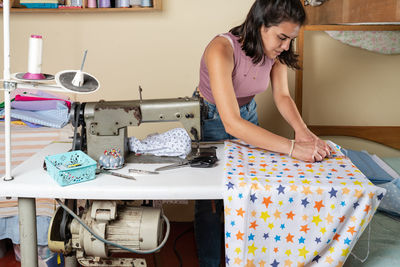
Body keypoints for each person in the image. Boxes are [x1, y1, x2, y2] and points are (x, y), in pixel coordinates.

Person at [194, 0, 331, 266]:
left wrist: (304, 134)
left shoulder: (277, 52)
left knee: (251, 192)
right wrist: (292, 147)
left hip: (248, 114)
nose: (286, 46)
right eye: (282, 37)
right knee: (210, 202)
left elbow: (281, 96)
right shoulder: (221, 48)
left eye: (291, 39)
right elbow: (231, 123)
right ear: (259, 24)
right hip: (210, 117)